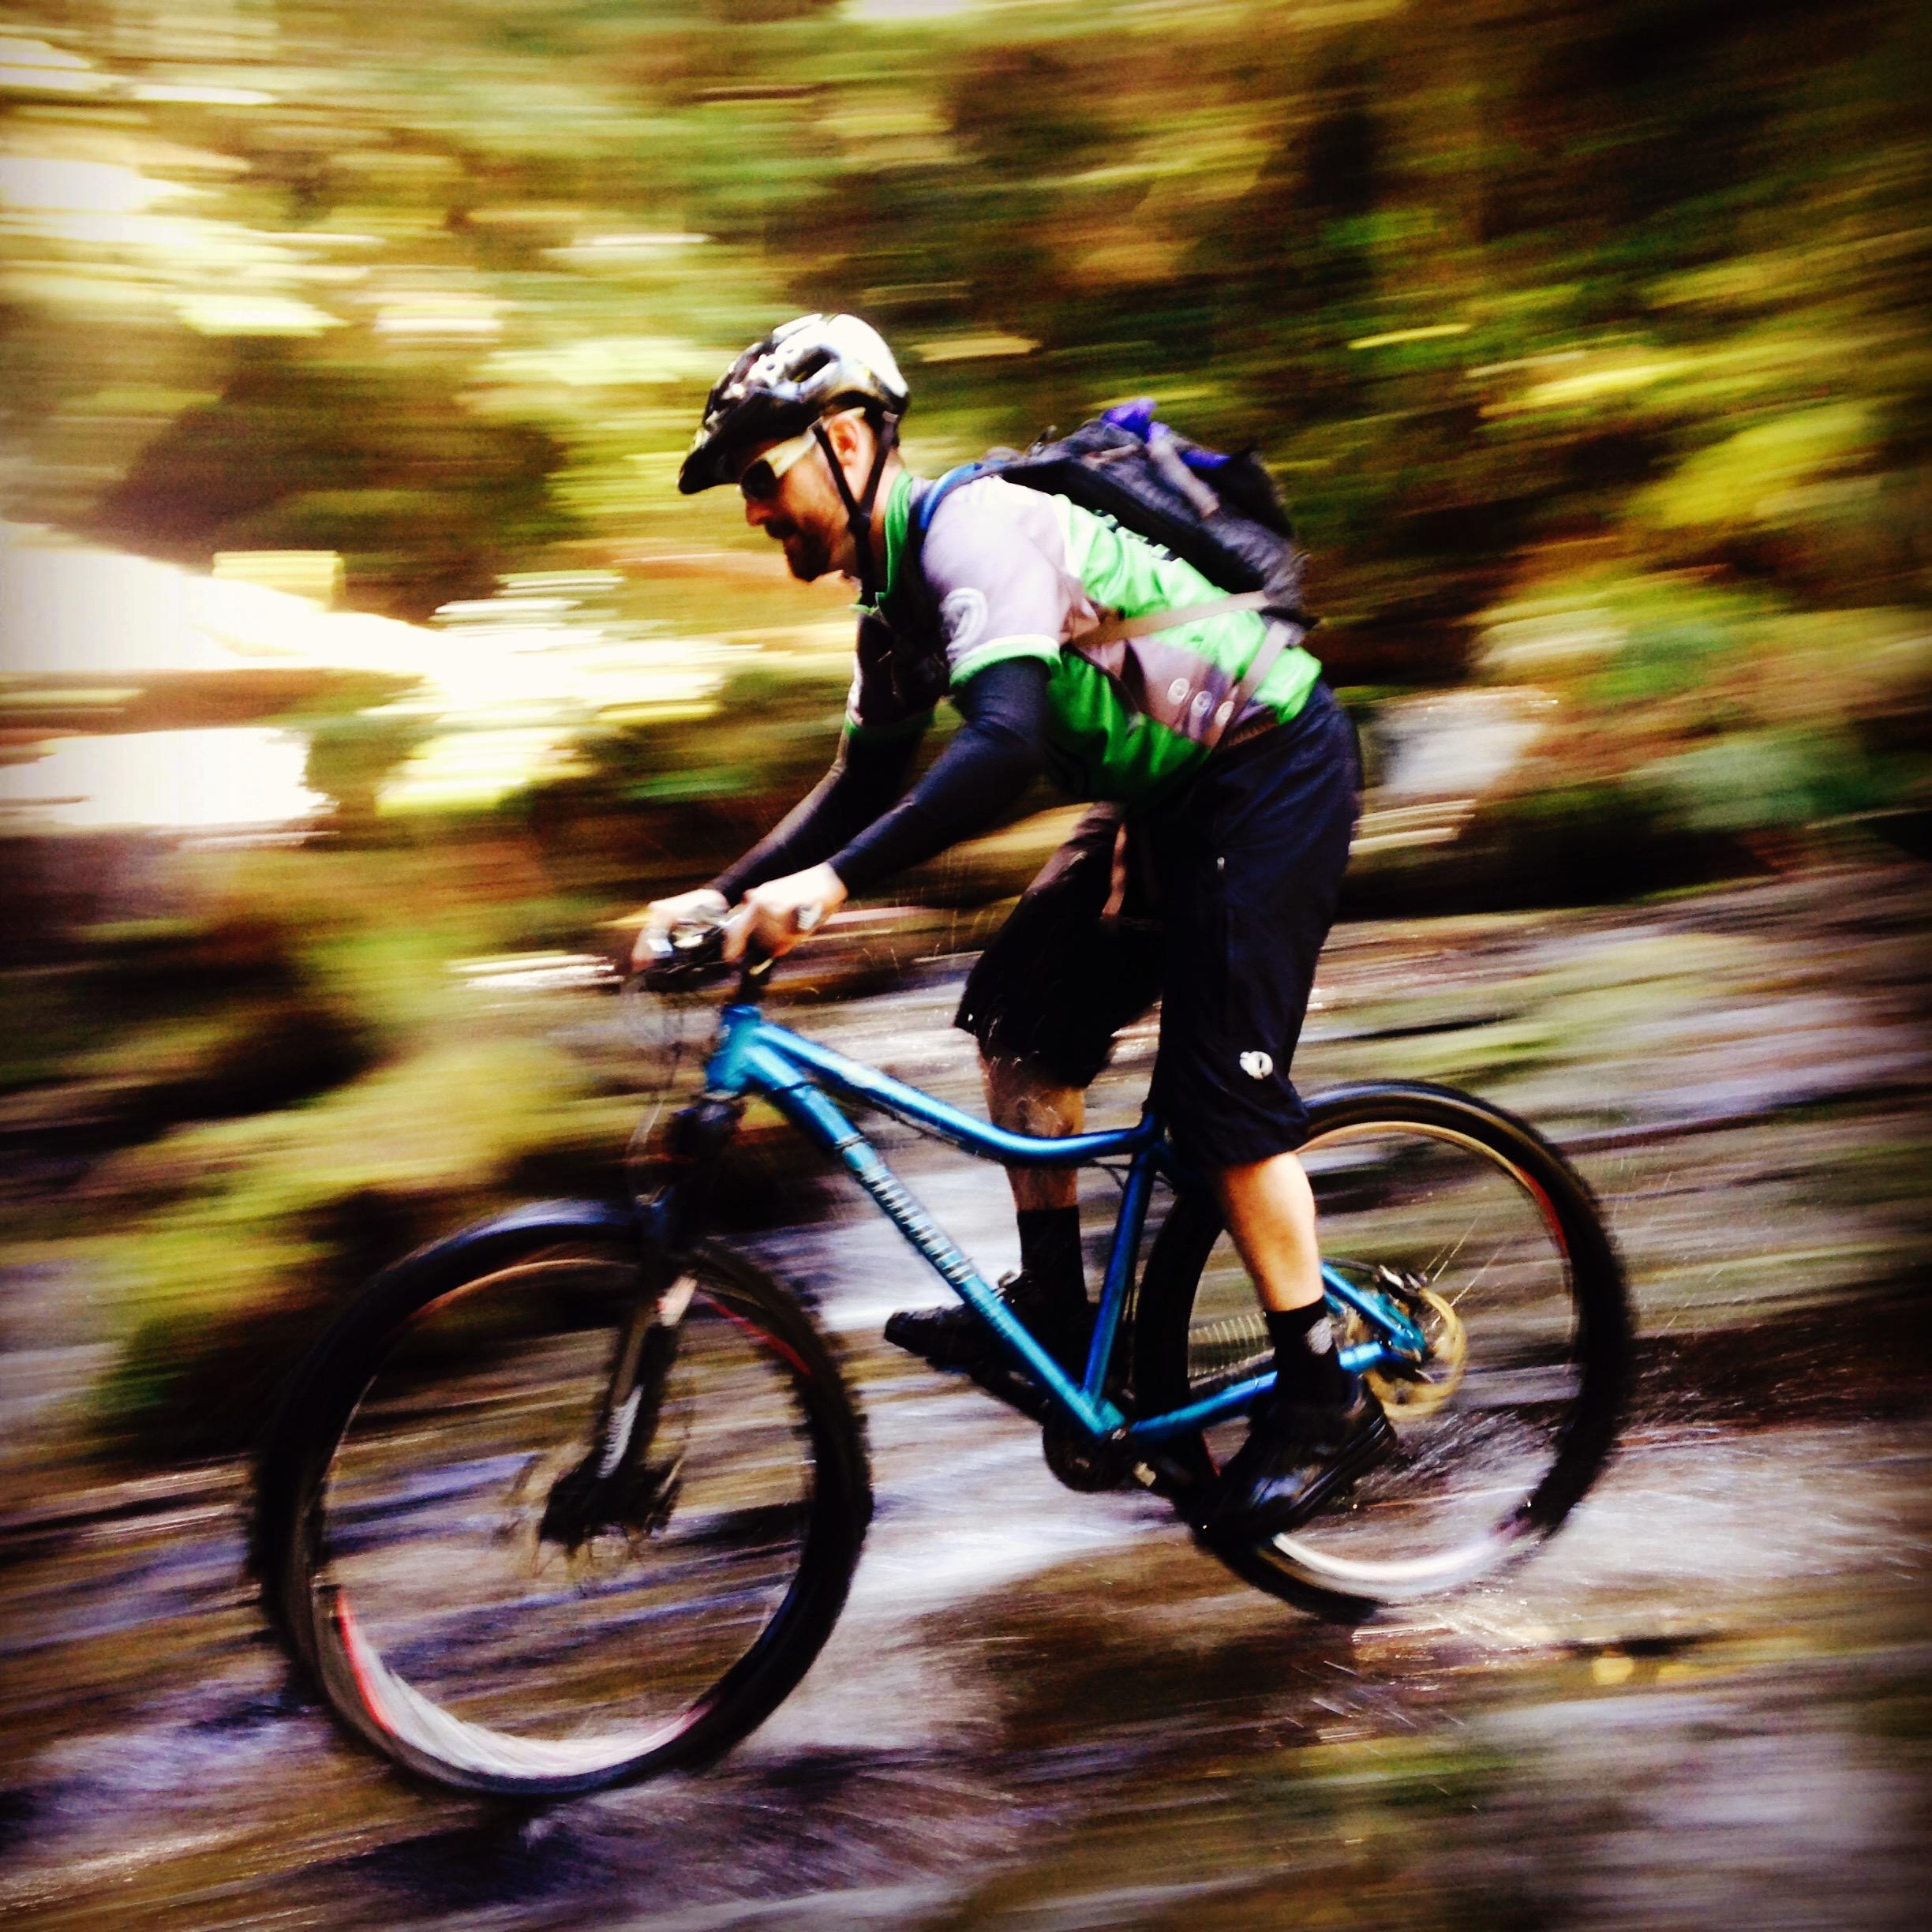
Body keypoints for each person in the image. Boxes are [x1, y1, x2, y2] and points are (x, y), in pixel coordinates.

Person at [638, 313, 1390, 1537]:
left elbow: (1004, 747)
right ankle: (1049, 1308)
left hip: (1270, 769)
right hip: (1166, 792)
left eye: (763, 479)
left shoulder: (974, 535)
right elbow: (862, 787)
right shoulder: (896, 609)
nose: (754, 511)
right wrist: (721, 898)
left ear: (844, 441)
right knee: (1020, 1022)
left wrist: (824, 891)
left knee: (1217, 1105)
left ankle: (1322, 1397)